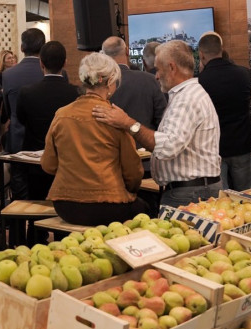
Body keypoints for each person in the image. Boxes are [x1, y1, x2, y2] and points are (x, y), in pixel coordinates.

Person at [92, 40, 222, 208]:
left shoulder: (187, 99)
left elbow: (168, 147)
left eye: (159, 69)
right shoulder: (186, 95)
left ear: (172, 67)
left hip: (189, 193)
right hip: (192, 190)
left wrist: (127, 122)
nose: (157, 75)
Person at [41, 53, 145, 225]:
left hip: (65, 205)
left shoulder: (62, 114)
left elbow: (48, 165)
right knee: (146, 209)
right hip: (108, 204)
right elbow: (132, 173)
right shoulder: (115, 118)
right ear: (111, 83)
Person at [16, 41, 79, 205]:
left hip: (35, 161)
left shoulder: (27, 93)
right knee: (64, 208)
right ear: (65, 63)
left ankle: (36, 231)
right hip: (68, 161)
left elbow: (21, 120)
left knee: (36, 206)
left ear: (41, 63)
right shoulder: (77, 93)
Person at [197, 32, 251, 191]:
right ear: (221, 49)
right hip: (242, 142)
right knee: (246, 195)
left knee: (221, 197)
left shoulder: (200, 81)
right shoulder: (244, 74)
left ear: (201, 54)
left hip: (215, 147)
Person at [3, 28, 47, 202]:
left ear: (21, 47)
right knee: (44, 194)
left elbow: (8, 110)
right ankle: (40, 229)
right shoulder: (54, 72)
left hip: (18, 140)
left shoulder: (9, 74)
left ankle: (18, 229)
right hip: (46, 142)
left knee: (20, 193)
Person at [102, 37, 167, 139]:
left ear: (103, 55)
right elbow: (163, 121)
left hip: (110, 150)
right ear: (127, 51)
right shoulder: (150, 80)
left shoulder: (99, 85)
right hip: (145, 149)